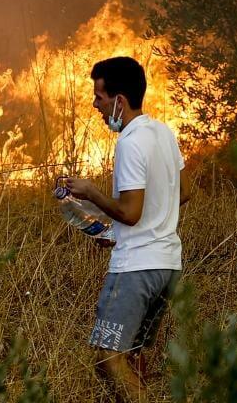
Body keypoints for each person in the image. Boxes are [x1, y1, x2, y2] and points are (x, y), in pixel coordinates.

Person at [64, 56, 193, 403]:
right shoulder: (163, 133)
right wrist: (120, 232)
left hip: (135, 270)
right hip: (167, 266)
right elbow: (184, 191)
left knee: (107, 357)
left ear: (119, 100)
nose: (95, 105)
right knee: (132, 356)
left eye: (99, 97)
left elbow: (130, 213)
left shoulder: (130, 143)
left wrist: (90, 192)